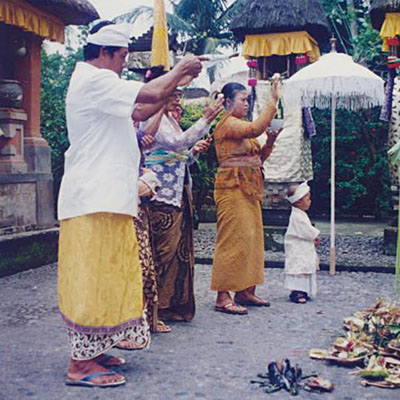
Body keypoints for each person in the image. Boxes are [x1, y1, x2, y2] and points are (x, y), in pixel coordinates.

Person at [57, 20, 203, 388]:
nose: (124, 63)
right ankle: (79, 364)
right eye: (122, 56)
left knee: (110, 276)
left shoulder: (99, 84)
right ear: (105, 53)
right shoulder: (94, 80)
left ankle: (95, 350)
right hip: (94, 198)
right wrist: (180, 70)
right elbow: (150, 93)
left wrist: (174, 83)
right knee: (93, 280)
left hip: (105, 198)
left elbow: (140, 110)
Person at [140, 76, 224, 323]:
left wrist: (194, 153)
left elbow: (179, 156)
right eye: (173, 93)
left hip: (177, 192)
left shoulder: (170, 121)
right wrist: (206, 118)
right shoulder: (151, 119)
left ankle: (167, 304)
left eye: (178, 94)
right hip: (160, 194)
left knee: (177, 253)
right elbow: (176, 143)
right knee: (161, 251)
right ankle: (149, 308)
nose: (177, 98)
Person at [210, 79, 280, 315]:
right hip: (231, 189)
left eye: (248, 100)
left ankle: (245, 291)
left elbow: (258, 158)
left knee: (251, 240)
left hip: (249, 188)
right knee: (231, 241)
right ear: (228, 102)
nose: (247, 104)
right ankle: (223, 296)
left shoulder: (241, 125)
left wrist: (270, 141)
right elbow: (255, 129)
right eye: (243, 99)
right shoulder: (227, 124)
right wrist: (272, 102)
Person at [284, 182, 320, 304]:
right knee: (299, 268)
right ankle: (297, 291)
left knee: (304, 267)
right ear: (299, 202)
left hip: (303, 246)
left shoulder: (301, 214)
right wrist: (315, 234)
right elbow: (305, 230)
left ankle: (303, 290)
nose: (310, 201)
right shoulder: (297, 216)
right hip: (298, 248)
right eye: (308, 199)